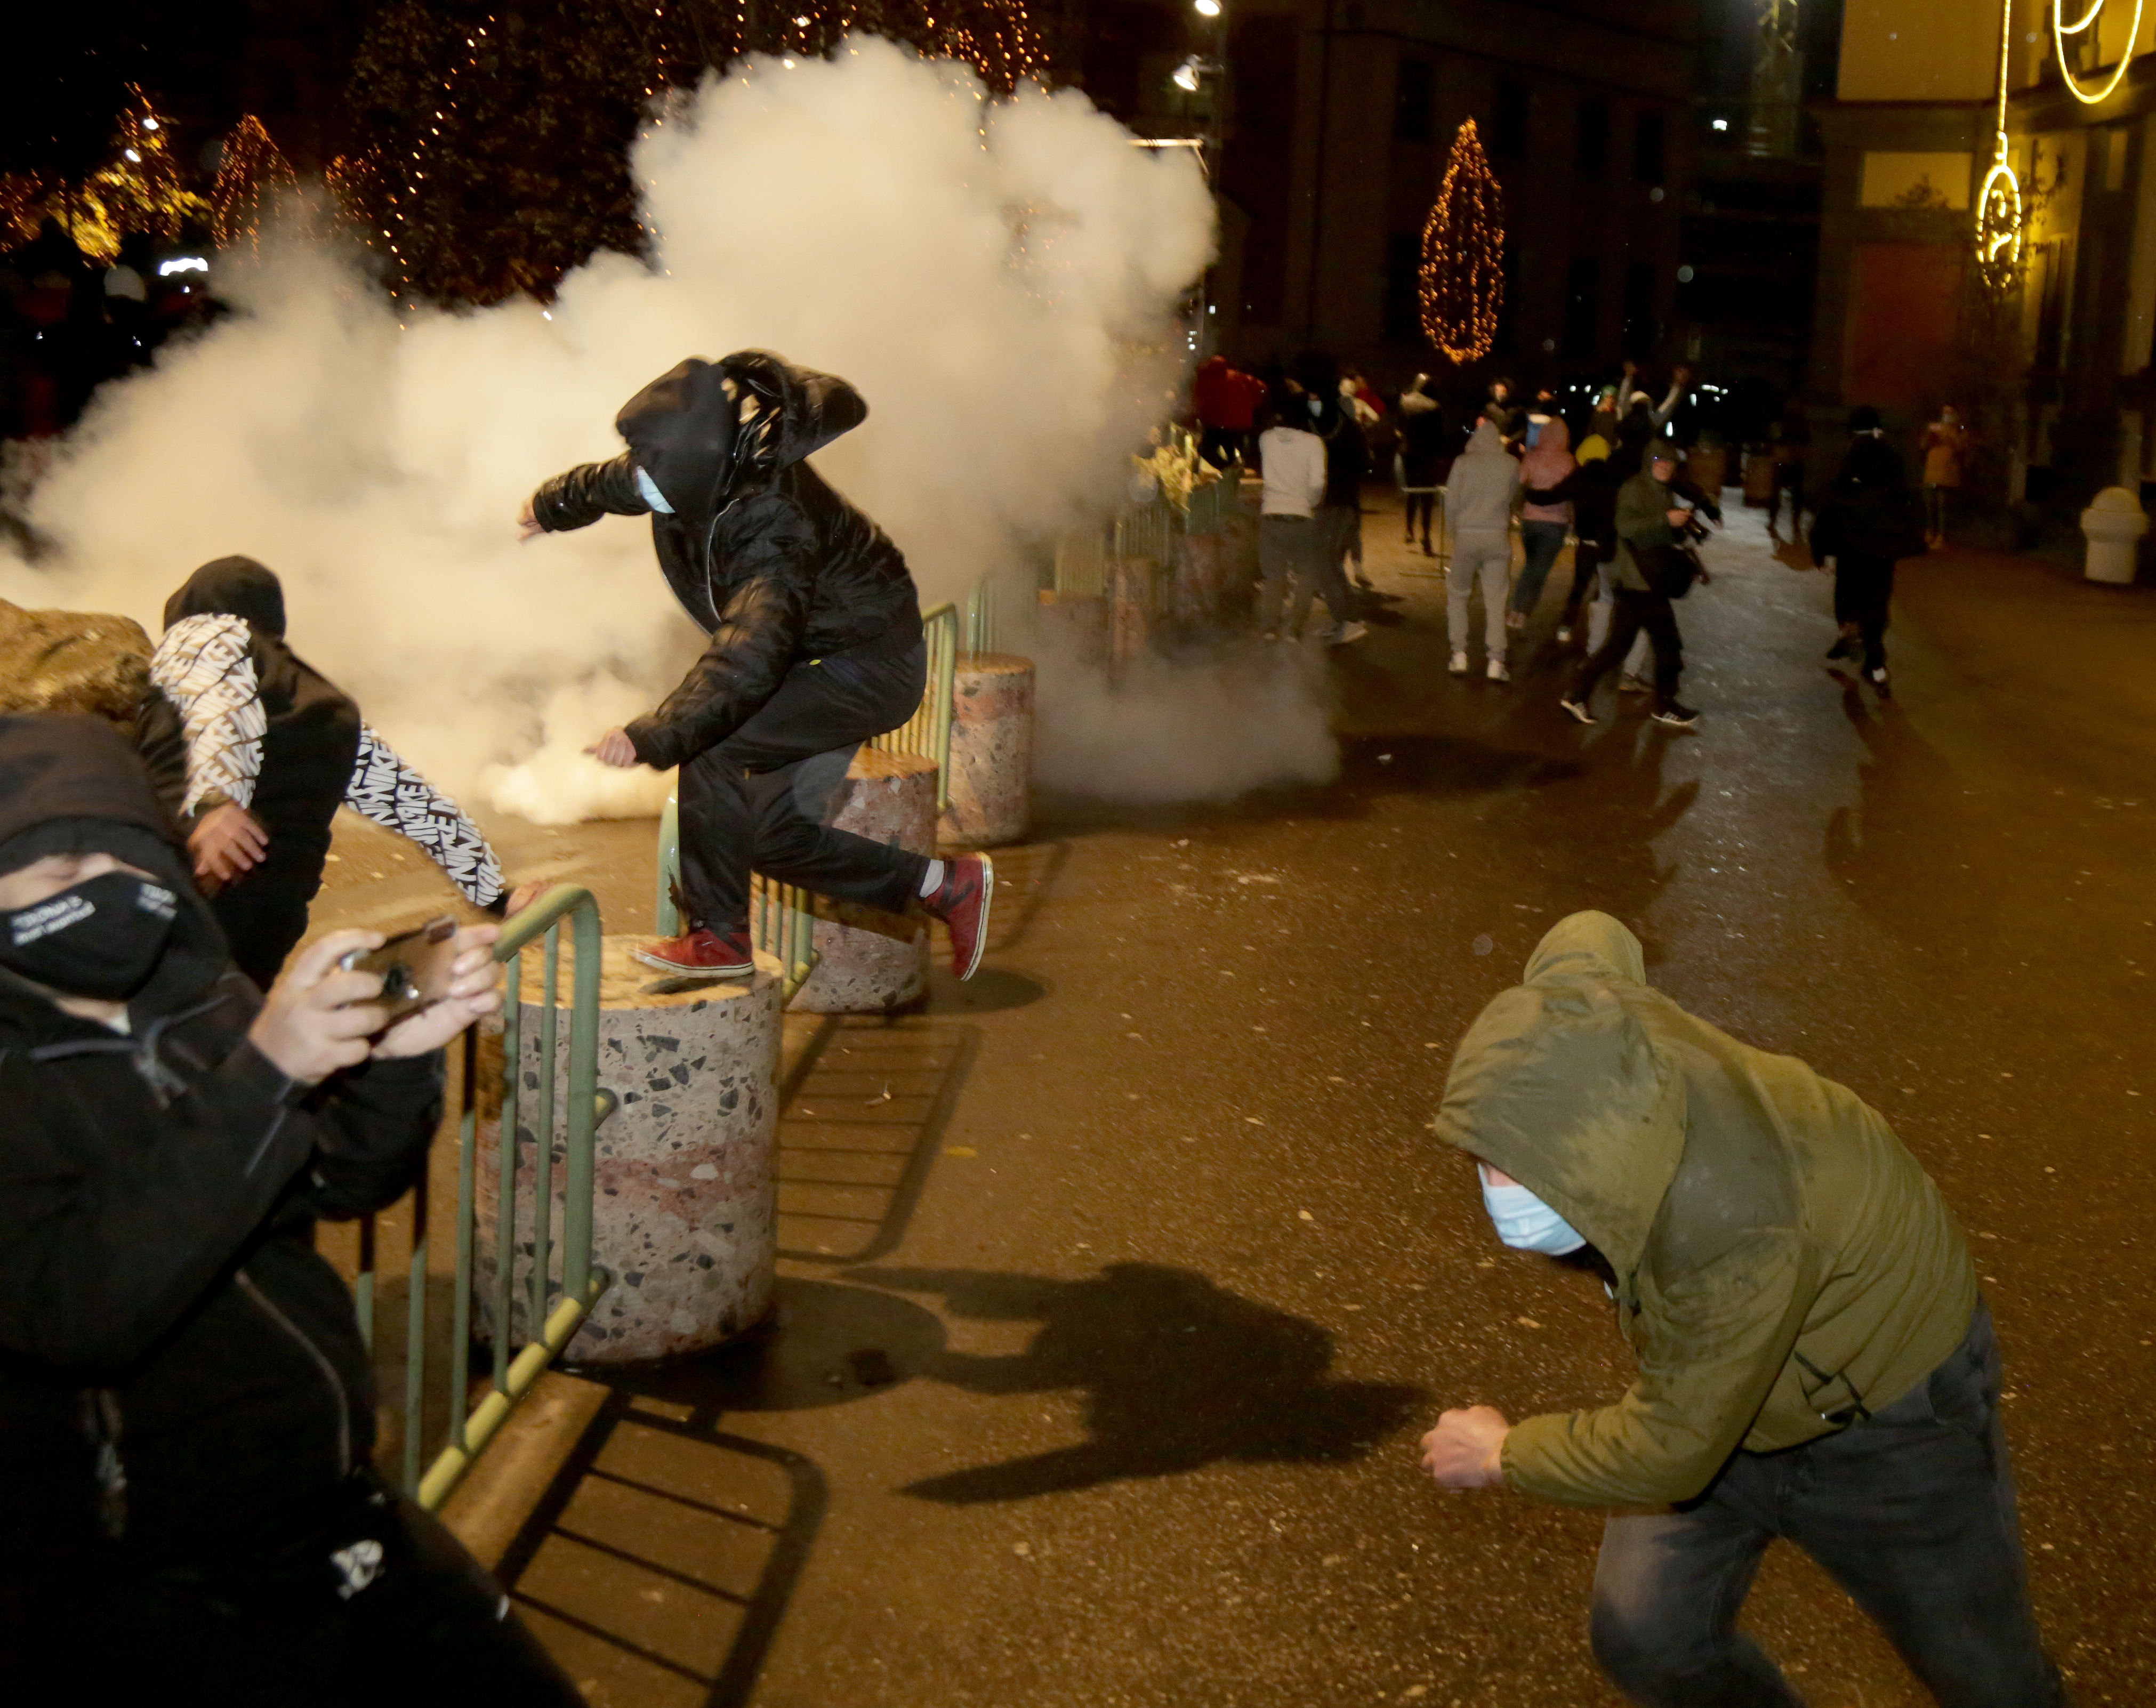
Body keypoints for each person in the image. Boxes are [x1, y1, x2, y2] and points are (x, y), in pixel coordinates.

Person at [0, 713, 584, 1705]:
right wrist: (266, 1070)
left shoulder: (204, 999)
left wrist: (396, 1068)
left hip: (333, 1506)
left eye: (124, 852)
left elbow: (338, 1184)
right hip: (134, 1585)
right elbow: (77, 1306)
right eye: (54, 870)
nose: (99, 883)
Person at [1419, 910, 2065, 1708]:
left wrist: (1501, 1454)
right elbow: (1591, 929)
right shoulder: (1594, 1022)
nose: (1499, 1191)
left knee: (1990, 1684)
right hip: (1722, 1385)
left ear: (1603, 1148)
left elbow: (1673, 1450)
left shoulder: (1732, 1218)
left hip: (1891, 1424)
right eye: (1487, 1157)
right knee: (1646, 1637)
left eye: (1526, 1169)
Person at [519, 350, 995, 977]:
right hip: (814, 661)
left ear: (707, 469)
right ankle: (946, 885)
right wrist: (549, 508)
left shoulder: (774, 521)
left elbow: (749, 652)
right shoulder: (690, 463)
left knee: (714, 746)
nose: (648, 491)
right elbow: (615, 483)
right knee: (771, 838)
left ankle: (718, 940)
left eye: (661, 483)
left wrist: (653, 733)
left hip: (866, 666)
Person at [143, 557, 510, 989]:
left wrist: (215, 801)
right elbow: (416, 807)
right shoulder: (327, 704)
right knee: (215, 1028)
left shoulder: (208, 631)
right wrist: (497, 895)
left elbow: (219, 704)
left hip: (183, 883)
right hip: (269, 918)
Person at [1560, 442, 1699, 727]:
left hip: (1645, 580)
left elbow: (1655, 534)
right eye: (1660, 460)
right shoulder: (1636, 488)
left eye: (1671, 462)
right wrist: (1665, 519)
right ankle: (1666, 705)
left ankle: (1576, 695)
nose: (1666, 465)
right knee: (1668, 644)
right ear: (1649, 461)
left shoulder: (1662, 491)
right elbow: (1625, 527)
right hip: (1638, 580)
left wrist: (1680, 528)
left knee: (1618, 646)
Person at [1809, 406, 1924, 698]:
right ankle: (1876, 666)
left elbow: (1832, 503)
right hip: (1883, 546)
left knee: (1848, 591)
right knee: (1877, 600)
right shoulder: (1893, 456)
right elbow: (1907, 501)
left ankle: (1849, 628)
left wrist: (1819, 549)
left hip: (1854, 543)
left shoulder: (1853, 455)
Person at [1521, 432, 1621, 647]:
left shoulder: (1580, 476)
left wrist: (1528, 494)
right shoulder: (1616, 476)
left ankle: (1566, 627)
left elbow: (1551, 496)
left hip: (1587, 542)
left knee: (1579, 586)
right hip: (1611, 543)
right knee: (1608, 592)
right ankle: (1604, 635)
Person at [1444, 408, 1521, 682]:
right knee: (1496, 599)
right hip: (1497, 537)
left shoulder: (1463, 463)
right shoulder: (1511, 464)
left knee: (1458, 595)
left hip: (1467, 536)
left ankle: (1460, 655)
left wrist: (1454, 532)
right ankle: (1496, 662)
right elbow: (1514, 498)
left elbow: (1451, 503)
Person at [1254, 396, 1329, 642]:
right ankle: (1295, 628)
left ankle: (1270, 628)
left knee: (1274, 576)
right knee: (1306, 573)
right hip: (1302, 518)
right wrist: (1310, 502)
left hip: (1271, 515)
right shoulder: (1314, 443)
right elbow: (1317, 482)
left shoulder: (1265, 439)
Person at [1508, 416, 1575, 631]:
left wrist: (1517, 508)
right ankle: (1522, 611)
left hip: (1531, 521)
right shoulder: (1568, 461)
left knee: (1530, 565)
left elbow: (1519, 484)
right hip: (1557, 523)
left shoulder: (1532, 458)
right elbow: (1572, 494)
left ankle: (1516, 610)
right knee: (1540, 571)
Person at [1396, 375, 1447, 557]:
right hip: (1428, 455)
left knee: (1412, 492)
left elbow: (1399, 427)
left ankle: (1409, 529)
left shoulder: (1405, 402)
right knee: (1427, 496)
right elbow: (1439, 435)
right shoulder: (1434, 407)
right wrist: (1441, 456)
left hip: (1409, 452)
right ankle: (1426, 535)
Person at [1192, 355, 1265, 474]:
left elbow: (1200, 403)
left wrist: (1201, 420)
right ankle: (1235, 471)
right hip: (1241, 424)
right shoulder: (1238, 376)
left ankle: (1228, 469)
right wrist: (1252, 405)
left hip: (1219, 425)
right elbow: (1262, 389)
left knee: (1206, 449)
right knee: (1233, 450)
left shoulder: (1207, 380)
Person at [1921, 404, 1972, 549]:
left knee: (1943, 507)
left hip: (1948, 474)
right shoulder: (1935, 428)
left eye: (1950, 412)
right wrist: (1930, 435)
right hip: (1932, 472)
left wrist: (1949, 436)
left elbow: (1962, 448)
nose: (1947, 415)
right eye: (1945, 412)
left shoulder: (1960, 431)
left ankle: (1942, 536)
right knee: (1930, 506)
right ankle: (1930, 533)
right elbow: (1924, 445)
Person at [1767, 396, 1811, 538]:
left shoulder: (1792, 424)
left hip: (1788, 461)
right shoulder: (1791, 424)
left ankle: (1782, 522)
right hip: (1787, 461)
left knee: (1788, 494)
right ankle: (1783, 522)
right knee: (1787, 495)